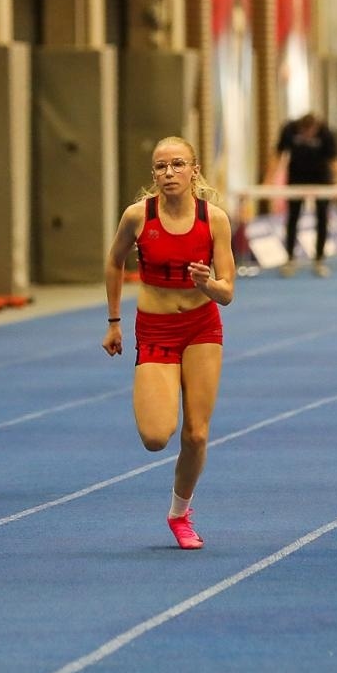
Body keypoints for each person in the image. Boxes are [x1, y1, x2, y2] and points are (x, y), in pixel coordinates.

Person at [103, 136, 236, 550]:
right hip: (156, 330)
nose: (169, 173)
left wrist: (207, 283)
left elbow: (228, 292)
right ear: (154, 175)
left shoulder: (213, 219)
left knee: (196, 434)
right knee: (156, 437)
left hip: (201, 328)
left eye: (178, 165)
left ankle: (180, 513)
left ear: (194, 170)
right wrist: (113, 322)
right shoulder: (138, 217)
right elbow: (114, 261)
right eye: (161, 167)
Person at [274, 112, 337, 277]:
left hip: (321, 178)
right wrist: (271, 181)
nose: (308, 136)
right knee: (293, 218)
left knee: (322, 218)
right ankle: (290, 258)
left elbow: (335, 161)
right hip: (297, 177)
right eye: (305, 133)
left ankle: (319, 259)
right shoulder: (290, 129)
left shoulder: (326, 133)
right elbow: (277, 155)